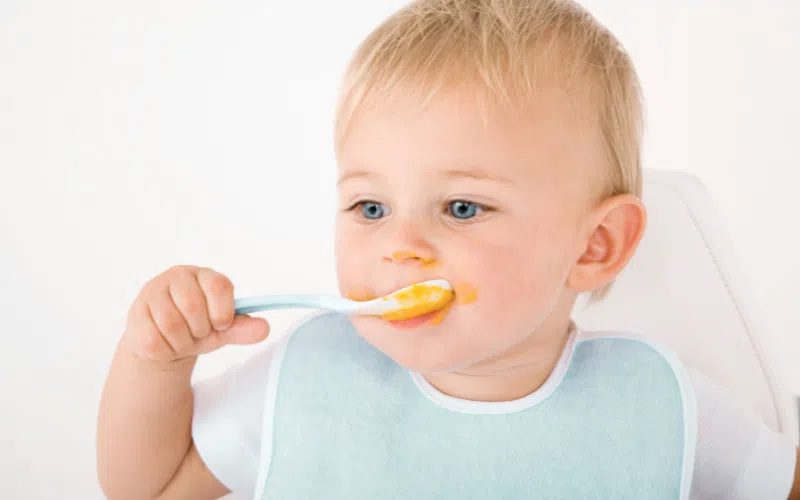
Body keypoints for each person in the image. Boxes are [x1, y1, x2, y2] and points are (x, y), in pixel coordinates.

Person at [96, 0, 800, 498]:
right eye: (370, 207)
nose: (400, 246)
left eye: (463, 208)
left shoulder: (661, 404)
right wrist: (156, 359)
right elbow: (151, 487)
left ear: (594, 245)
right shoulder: (307, 377)